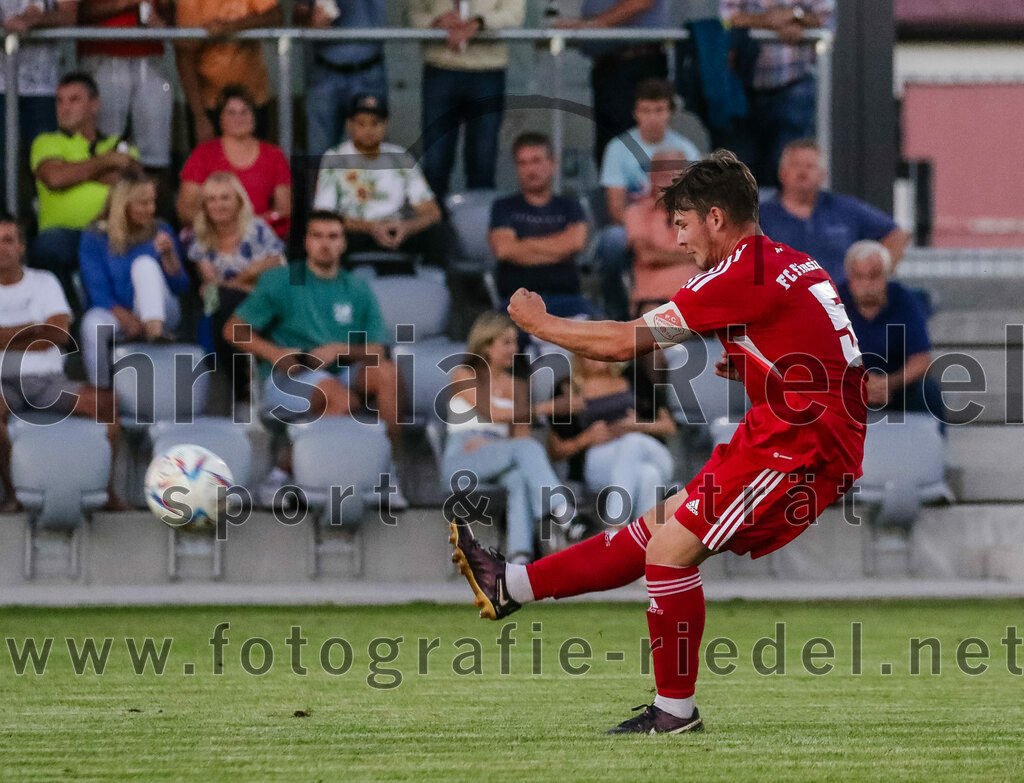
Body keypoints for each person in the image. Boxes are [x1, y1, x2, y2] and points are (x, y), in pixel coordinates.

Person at [450, 150, 868, 734]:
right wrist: (756, 368)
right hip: (786, 430)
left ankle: (674, 712)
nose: (677, 238)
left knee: (668, 554)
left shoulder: (737, 274)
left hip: (799, 444)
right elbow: (829, 354)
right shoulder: (788, 262)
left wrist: (535, 323)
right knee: (655, 529)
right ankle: (511, 584)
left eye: (683, 223)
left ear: (716, 219)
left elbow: (624, 342)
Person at [224, 210, 407, 508]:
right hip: (287, 378)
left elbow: (377, 349)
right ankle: (279, 477)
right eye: (317, 236)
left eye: (333, 236)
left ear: (344, 243)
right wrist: (276, 354)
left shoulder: (356, 287)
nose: (325, 243)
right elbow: (233, 329)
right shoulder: (284, 279)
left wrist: (338, 349)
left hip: (339, 373)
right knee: (342, 400)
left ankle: (387, 474)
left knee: (387, 373)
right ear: (306, 242)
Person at [0, 214, 127, 513]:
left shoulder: (44, 282)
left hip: (48, 382)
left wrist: (10, 337)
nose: (1, 248)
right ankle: (13, 494)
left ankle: (106, 491)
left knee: (107, 405)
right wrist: (31, 328)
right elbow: (41, 334)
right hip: (3, 384)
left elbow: (56, 335)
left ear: (21, 246)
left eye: (7, 240)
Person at [443, 312, 572, 564]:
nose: (514, 349)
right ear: (486, 345)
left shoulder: (518, 386)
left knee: (519, 477)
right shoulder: (463, 374)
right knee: (525, 450)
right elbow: (493, 413)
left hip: (499, 452)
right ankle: (562, 511)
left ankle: (519, 558)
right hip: (463, 455)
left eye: (515, 343)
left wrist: (495, 444)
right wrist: (548, 408)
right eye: (506, 342)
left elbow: (521, 437)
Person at [29, 72, 141, 313]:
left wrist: (75, 172)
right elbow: (54, 177)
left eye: (74, 100)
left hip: (114, 233)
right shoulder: (47, 142)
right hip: (66, 236)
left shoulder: (118, 143)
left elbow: (133, 185)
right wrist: (106, 163)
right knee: (46, 247)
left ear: (94, 104)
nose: (64, 108)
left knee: (150, 239)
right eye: (59, 101)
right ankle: (70, 325)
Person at [597, 79, 699, 320]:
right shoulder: (618, 148)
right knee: (613, 239)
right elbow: (615, 209)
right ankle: (616, 310)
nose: (652, 118)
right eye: (646, 111)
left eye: (659, 110)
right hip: (636, 222)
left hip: (676, 225)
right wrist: (644, 230)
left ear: (670, 113)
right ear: (636, 113)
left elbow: (697, 201)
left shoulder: (688, 150)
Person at [79, 173, 189, 389]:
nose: (151, 209)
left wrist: (169, 257)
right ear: (123, 205)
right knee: (92, 325)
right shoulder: (95, 236)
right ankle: (101, 394)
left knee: (145, 265)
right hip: (116, 311)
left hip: (162, 313)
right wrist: (126, 318)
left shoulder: (161, 230)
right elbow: (96, 289)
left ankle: (155, 332)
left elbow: (180, 287)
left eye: (153, 202)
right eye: (143, 203)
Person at [408, 0, 526, 201]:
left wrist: (479, 23)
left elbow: (515, 15)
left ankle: (478, 227)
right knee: (436, 160)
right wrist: (435, 22)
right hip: (440, 69)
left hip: (487, 71)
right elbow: (412, 14)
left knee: (483, 159)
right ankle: (435, 228)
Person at [313, 94, 443, 268]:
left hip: (397, 231)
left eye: (375, 123)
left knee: (440, 233)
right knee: (329, 236)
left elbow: (432, 211)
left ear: (385, 124)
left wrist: (407, 227)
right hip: (355, 233)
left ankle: (435, 289)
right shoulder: (335, 158)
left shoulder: (401, 157)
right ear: (350, 124)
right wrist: (372, 227)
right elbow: (324, 215)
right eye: (361, 123)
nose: (369, 130)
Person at [548, 354, 676, 525]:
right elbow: (555, 451)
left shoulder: (634, 375)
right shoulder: (568, 388)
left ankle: (615, 528)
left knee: (632, 442)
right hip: (598, 460)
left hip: (648, 449)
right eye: (589, 354)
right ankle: (643, 542)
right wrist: (586, 439)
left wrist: (637, 425)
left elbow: (669, 427)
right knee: (648, 475)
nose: (596, 358)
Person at [759, 139, 910, 283]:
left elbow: (896, 235)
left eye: (810, 166)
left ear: (823, 175)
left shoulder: (846, 209)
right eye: (796, 165)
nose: (802, 172)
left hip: (841, 304)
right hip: (782, 305)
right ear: (782, 173)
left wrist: (877, 271)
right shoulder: (761, 216)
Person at [719, 0, 833, 187]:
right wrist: (770, 22)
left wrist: (796, 17)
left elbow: (827, 19)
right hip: (741, 90)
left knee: (789, 166)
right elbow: (727, 19)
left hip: (793, 84)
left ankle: (784, 216)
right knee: (738, 171)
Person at [190, 172, 284, 388]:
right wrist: (250, 275)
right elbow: (212, 289)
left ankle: (243, 386)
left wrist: (242, 283)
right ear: (204, 205)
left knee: (229, 301)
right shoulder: (201, 238)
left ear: (238, 201)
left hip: (264, 304)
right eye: (211, 199)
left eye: (225, 198)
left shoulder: (258, 230)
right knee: (224, 301)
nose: (218, 205)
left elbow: (277, 269)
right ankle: (243, 383)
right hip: (226, 307)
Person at [837, 240, 947, 425]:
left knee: (928, 392)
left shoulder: (904, 300)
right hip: (845, 388)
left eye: (874, 276)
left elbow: (922, 360)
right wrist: (858, 385)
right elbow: (817, 357)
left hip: (895, 388)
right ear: (849, 277)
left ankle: (933, 450)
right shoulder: (832, 301)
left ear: (887, 275)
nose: (867, 284)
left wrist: (889, 383)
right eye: (859, 277)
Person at [488, 133, 592, 319]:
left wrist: (522, 245)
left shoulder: (570, 206)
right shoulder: (502, 206)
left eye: (536, 161)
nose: (530, 170)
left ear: (552, 163)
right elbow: (504, 250)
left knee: (599, 331)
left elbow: (575, 244)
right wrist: (558, 247)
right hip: (516, 302)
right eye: (523, 163)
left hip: (567, 300)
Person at [556, 0, 669, 162]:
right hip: (608, 67)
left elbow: (639, 3)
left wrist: (588, 27)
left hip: (635, 65)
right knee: (609, 147)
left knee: (632, 147)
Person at [178, 85, 292, 240]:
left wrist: (247, 226)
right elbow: (185, 209)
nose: (239, 118)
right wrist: (222, 227)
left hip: (258, 236)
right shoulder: (203, 154)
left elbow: (283, 210)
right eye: (231, 113)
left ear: (254, 116)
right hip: (213, 236)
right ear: (220, 118)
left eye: (245, 111)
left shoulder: (274, 155)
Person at [78, 0, 174, 178]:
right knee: (106, 144)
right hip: (103, 55)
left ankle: (151, 202)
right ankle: (110, 203)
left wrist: (164, 19)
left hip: (150, 56)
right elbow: (77, 12)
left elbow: (170, 12)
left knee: (155, 151)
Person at [174, 0, 282, 145]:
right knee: (211, 166)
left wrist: (231, 27)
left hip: (252, 101)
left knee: (255, 164)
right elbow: (184, 56)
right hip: (209, 106)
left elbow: (275, 16)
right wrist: (200, 118)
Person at [294, 0, 388, 160]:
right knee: (320, 156)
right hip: (325, 73)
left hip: (367, 72)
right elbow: (297, 16)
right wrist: (311, 20)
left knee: (370, 152)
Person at [0, 0, 76, 183]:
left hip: (44, 88)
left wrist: (33, 19)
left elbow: (69, 16)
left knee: (45, 159)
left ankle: (36, 208)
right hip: (1, 84)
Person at [624, 149, 700, 316]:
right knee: (656, 320)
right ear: (651, 179)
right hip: (654, 301)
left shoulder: (702, 215)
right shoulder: (637, 212)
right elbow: (647, 255)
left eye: (674, 175)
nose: (667, 182)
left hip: (700, 301)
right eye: (660, 174)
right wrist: (694, 256)